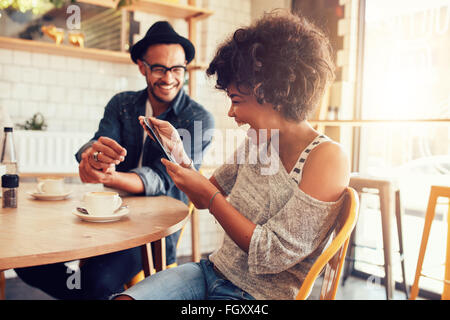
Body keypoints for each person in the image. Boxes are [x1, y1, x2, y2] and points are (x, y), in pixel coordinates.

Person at [114, 11, 350, 300]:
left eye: (236, 100)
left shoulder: (327, 158)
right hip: (211, 272)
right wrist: (179, 154)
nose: (231, 112)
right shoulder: (259, 140)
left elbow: (270, 254)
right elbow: (202, 198)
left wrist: (213, 199)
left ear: (268, 92)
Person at [14, 21, 215, 300]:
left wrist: (109, 177)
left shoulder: (198, 119)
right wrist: (92, 159)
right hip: (103, 212)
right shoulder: (122, 104)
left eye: (177, 69)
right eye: (159, 68)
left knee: (96, 281)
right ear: (142, 67)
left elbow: (161, 178)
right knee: (27, 261)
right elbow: (97, 143)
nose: (169, 78)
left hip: (154, 226)